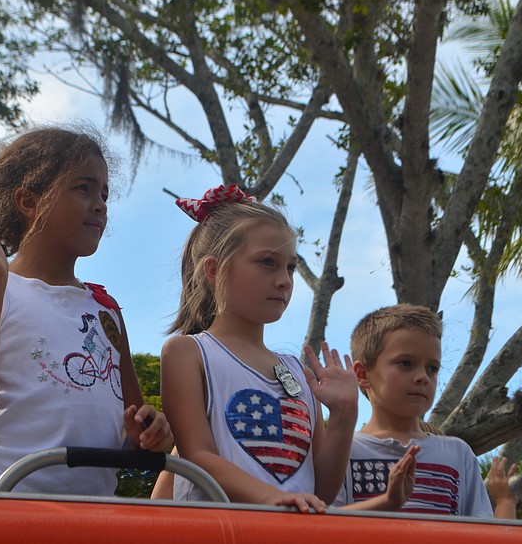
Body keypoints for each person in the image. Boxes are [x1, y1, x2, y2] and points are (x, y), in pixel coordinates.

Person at [0, 126, 172, 495]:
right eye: (83, 188)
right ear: (29, 202)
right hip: (4, 492)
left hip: (92, 510)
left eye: (104, 193)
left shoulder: (106, 309)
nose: (100, 204)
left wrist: (149, 431)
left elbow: (132, 424)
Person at [159, 184, 359, 513]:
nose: (285, 280)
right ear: (214, 270)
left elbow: (320, 487)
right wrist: (269, 497)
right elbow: (197, 457)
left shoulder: (299, 371)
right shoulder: (187, 353)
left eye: (290, 267)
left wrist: (343, 417)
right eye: (267, 262)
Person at [333, 303, 496, 517]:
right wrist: (387, 502)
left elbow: (480, 532)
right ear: (363, 374)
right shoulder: (344, 451)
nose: (423, 377)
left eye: (432, 368)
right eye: (406, 363)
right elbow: (325, 527)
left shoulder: (458, 454)